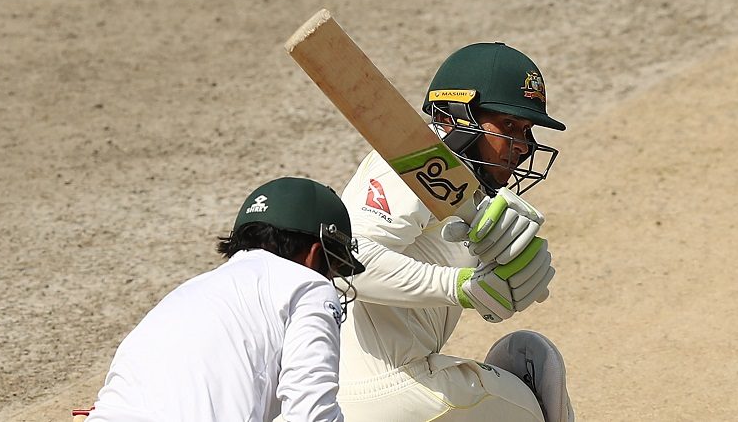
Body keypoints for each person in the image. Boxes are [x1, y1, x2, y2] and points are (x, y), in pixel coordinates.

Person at [335, 42, 574, 421]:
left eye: (526, 131)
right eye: (509, 126)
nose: (522, 147)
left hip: (346, 397)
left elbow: (491, 307)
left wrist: (504, 279)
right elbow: (346, 263)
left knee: (514, 352)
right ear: (459, 114)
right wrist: (459, 286)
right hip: (383, 388)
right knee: (531, 377)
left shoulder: (469, 197)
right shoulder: (412, 162)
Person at [85, 177, 365, 422]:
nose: (329, 281)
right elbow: (312, 415)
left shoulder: (187, 293)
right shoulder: (308, 285)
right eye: (333, 268)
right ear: (314, 254)